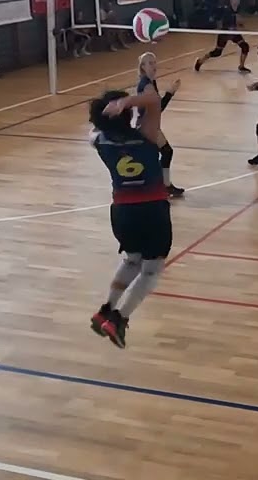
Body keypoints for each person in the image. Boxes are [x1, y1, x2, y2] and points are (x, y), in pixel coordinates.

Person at [88, 88, 172, 349]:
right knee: (151, 270)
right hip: (152, 210)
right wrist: (125, 101)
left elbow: (100, 126)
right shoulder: (146, 136)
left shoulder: (97, 140)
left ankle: (106, 308)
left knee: (132, 259)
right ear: (127, 113)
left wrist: (117, 106)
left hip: (122, 212)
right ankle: (119, 318)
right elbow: (153, 100)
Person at [135, 52, 186, 197]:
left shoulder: (151, 82)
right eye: (149, 63)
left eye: (154, 62)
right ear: (143, 67)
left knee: (165, 152)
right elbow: (158, 109)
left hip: (153, 125)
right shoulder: (146, 86)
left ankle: (164, 185)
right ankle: (160, 186)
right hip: (147, 126)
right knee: (156, 155)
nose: (153, 65)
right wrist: (170, 93)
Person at [194, 0, 251, 73]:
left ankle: (241, 66)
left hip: (234, 33)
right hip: (225, 34)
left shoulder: (238, 10)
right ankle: (200, 61)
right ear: (231, 1)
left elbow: (240, 23)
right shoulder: (227, 10)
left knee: (245, 47)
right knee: (217, 52)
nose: (236, 1)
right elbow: (222, 21)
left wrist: (241, 25)